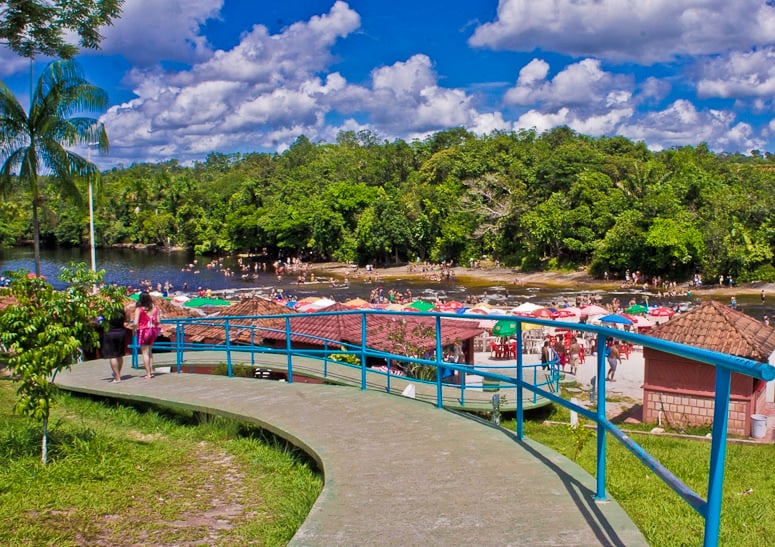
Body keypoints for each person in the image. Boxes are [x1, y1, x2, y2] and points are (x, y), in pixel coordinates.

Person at [134, 292, 161, 379]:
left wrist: (133, 329)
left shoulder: (139, 309)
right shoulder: (155, 308)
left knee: (145, 353)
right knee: (150, 351)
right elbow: (158, 321)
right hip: (153, 330)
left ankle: (148, 373)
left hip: (143, 331)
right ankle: (151, 371)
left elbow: (135, 323)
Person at [102, 309, 128, 383]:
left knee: (112, 356)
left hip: (110, 333)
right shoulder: (121, 310)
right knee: (120, 355)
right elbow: (126, 320)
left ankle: (117, 378)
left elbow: (99, 321)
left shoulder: (106, 312)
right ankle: (118, 374)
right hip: (121, 333)